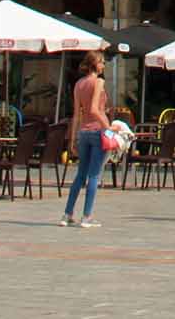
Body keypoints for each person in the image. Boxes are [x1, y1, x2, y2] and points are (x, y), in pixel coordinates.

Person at [62, 51, 111, 229]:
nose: (103, 65)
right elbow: (94, 109)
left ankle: (67, 214)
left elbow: (77, 113)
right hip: (98, 131)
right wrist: (109, 127)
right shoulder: (98, 82)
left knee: (80, 174)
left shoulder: (79, 84)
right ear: (94, 64)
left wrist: (72, 138)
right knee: (94, 175)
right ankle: (87, 216)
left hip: (83, 132)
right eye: (102, 62)